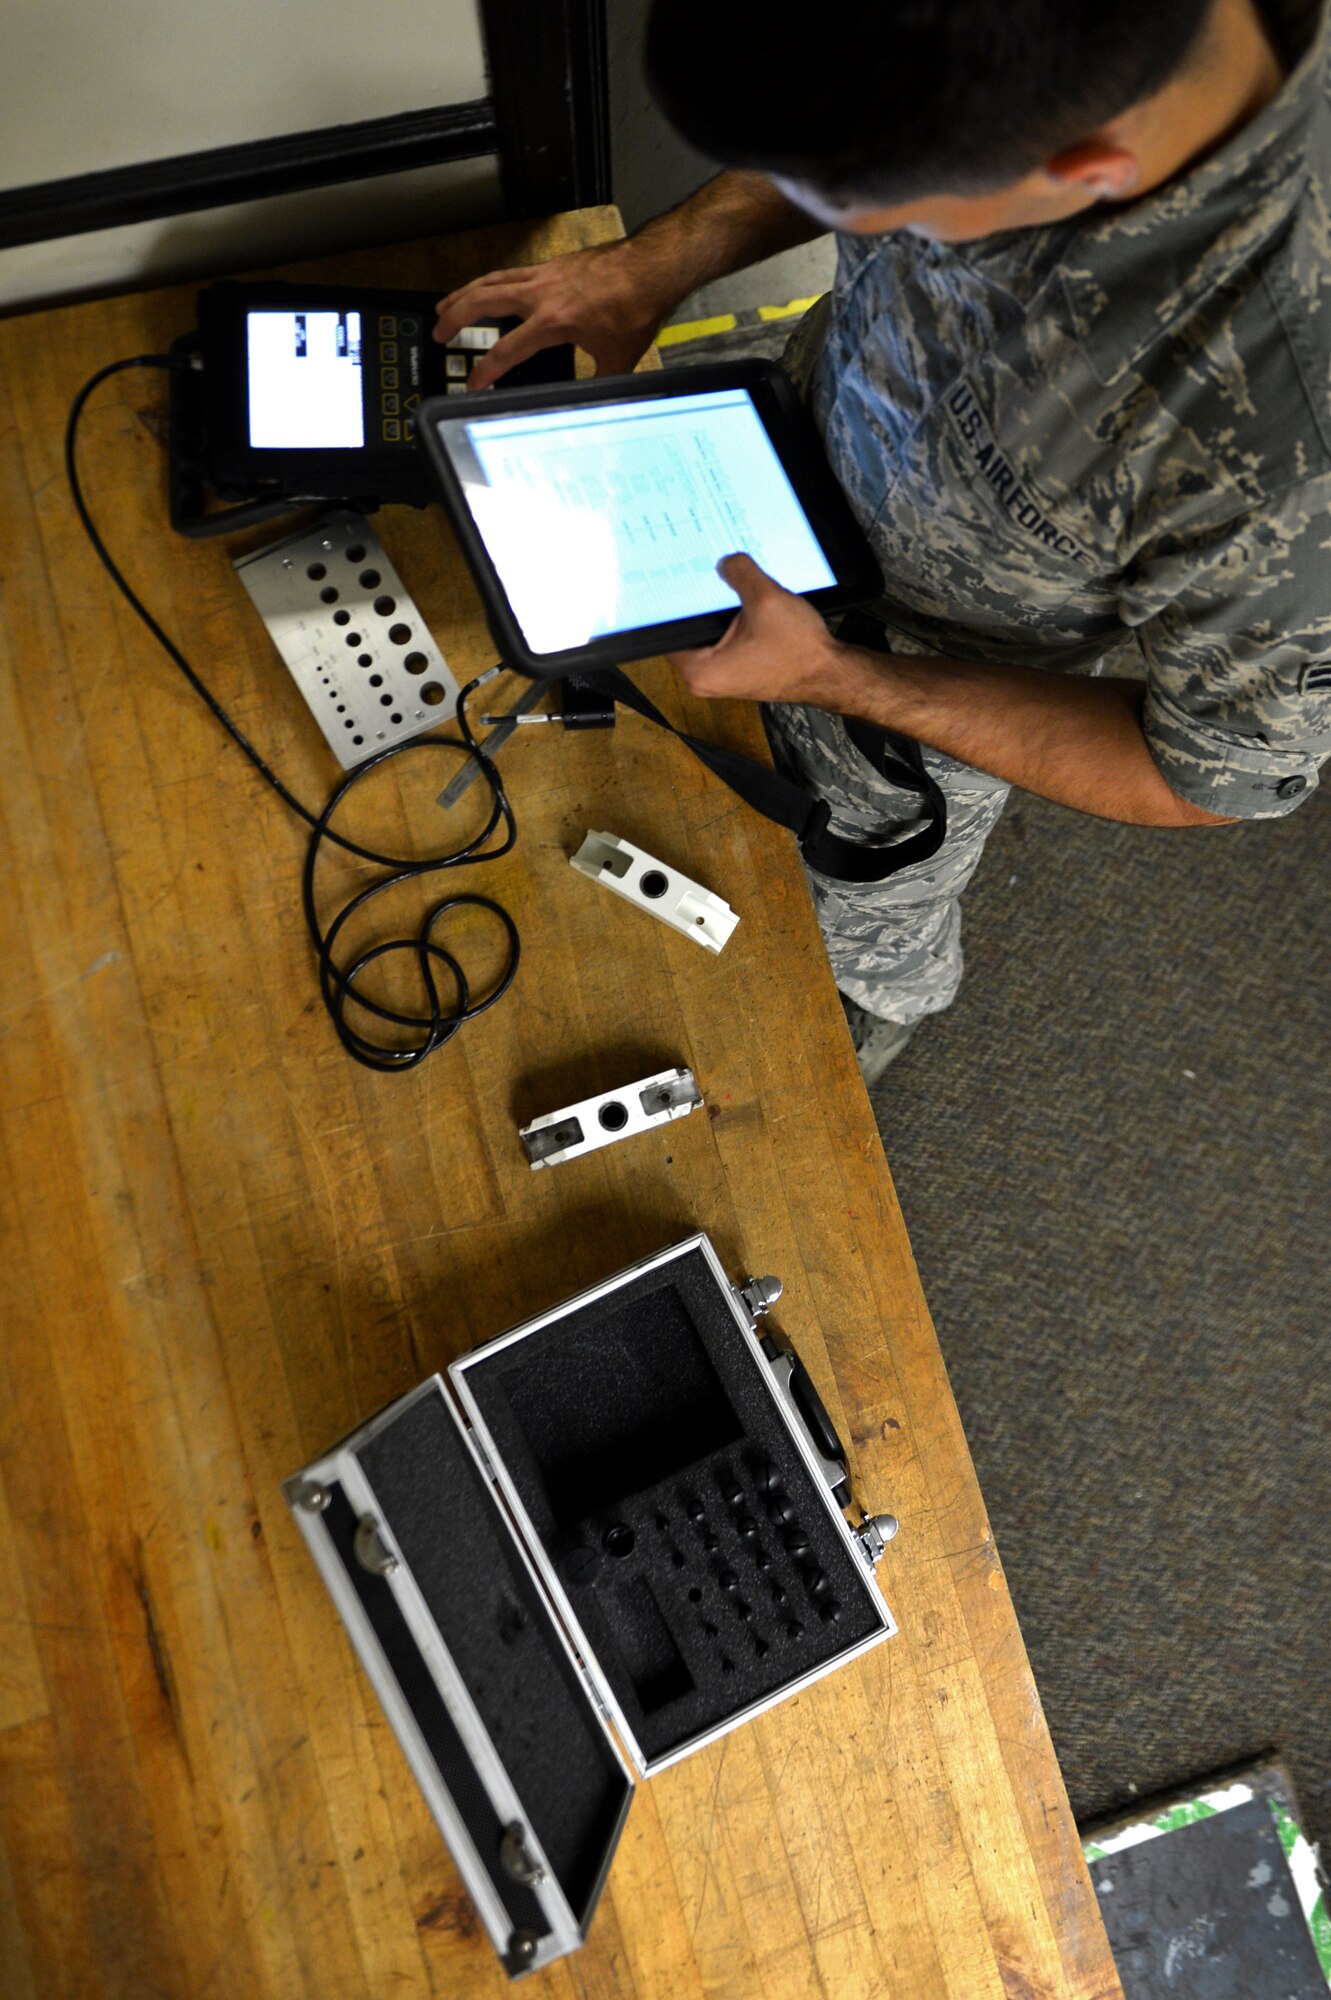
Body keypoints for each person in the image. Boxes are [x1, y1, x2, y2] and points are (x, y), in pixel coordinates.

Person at [434, 0, 1331, 1081]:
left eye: (875, 213)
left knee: (854, 910)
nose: (855, 235)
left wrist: (840, 679)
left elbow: (1204, 778)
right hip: (776, 436)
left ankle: (870, 1001)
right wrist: (652, 263)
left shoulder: (1283, 447)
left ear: (1087, 168)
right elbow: (856, 113)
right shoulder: (996, 67)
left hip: (917, 686)